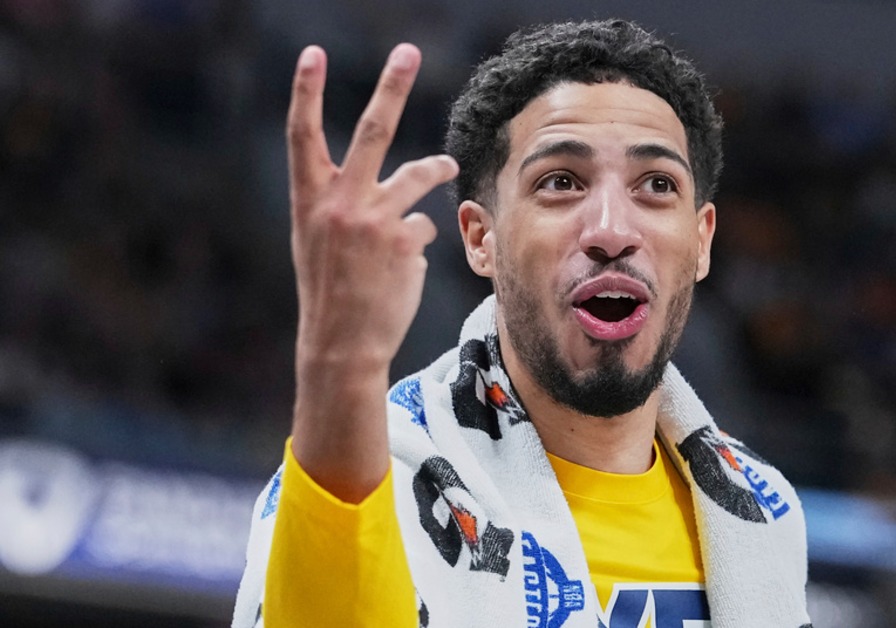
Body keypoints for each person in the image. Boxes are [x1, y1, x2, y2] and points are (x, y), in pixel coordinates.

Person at [233, 19, 812, 628]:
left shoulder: (764, 512)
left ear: (701, 241)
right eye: (560, 182)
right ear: (480, 239)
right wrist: (337, 367)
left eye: (657, 184)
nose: (612, 231)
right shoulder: (385, 485)